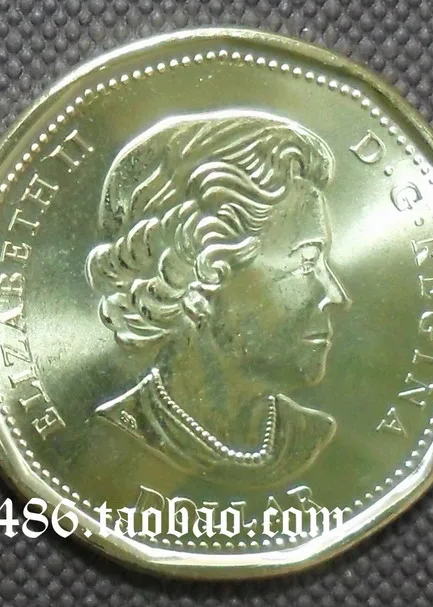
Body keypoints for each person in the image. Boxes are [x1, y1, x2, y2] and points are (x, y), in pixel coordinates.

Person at [87, 110, 350, 487]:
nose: (336, 296)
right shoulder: (119, 437)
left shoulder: (313, 436)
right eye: (307, 261)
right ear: (200, 280)